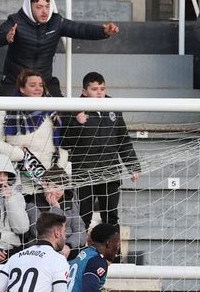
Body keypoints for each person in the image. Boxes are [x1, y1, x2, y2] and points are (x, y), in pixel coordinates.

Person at [0, 0, 117, 93]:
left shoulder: (56, 21)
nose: (44, 11)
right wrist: (6, 38)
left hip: (44, 81)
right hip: (16, 81)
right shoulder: (15, 20)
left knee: (62, 114)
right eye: (39, 7)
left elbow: (80, 29)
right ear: (29, 7)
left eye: (47, 6)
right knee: (4, 116)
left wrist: (103, 31)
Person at [58, 71, 140, 230]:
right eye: (95, 89)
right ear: (84, 91)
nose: (99, 93)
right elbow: (65, 142)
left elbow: (123, 140)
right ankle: (80, 252)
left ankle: (112, 254)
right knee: (83, 217)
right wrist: (78, 124)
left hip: (110, 173)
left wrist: (133, 166)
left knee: (111, 217)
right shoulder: (74, 109)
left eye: (102, 89)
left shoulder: (113, 108)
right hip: (84, 173)